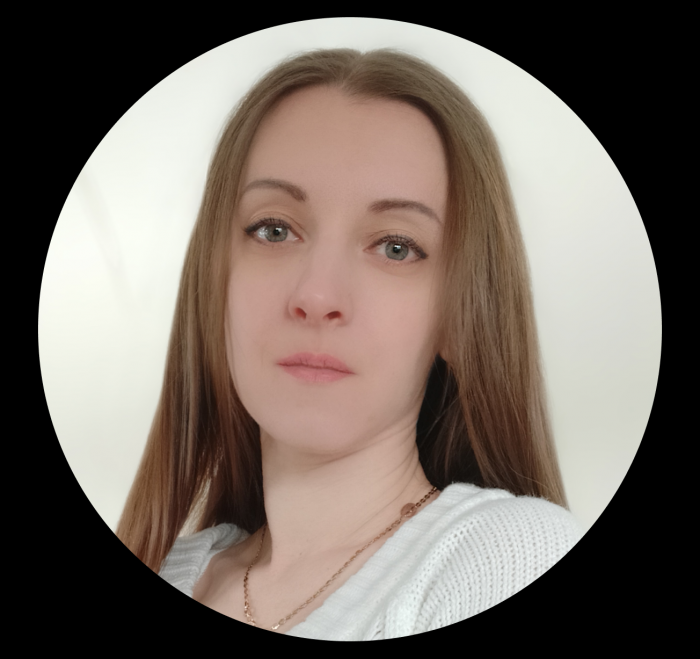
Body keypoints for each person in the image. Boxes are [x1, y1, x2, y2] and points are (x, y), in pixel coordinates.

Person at [116, 48, 581, 639]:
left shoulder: (511, 561)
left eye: (395, 247)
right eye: (274, 230)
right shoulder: (164, 566)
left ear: (460, 317)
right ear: (214, 281)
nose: (316, 295)